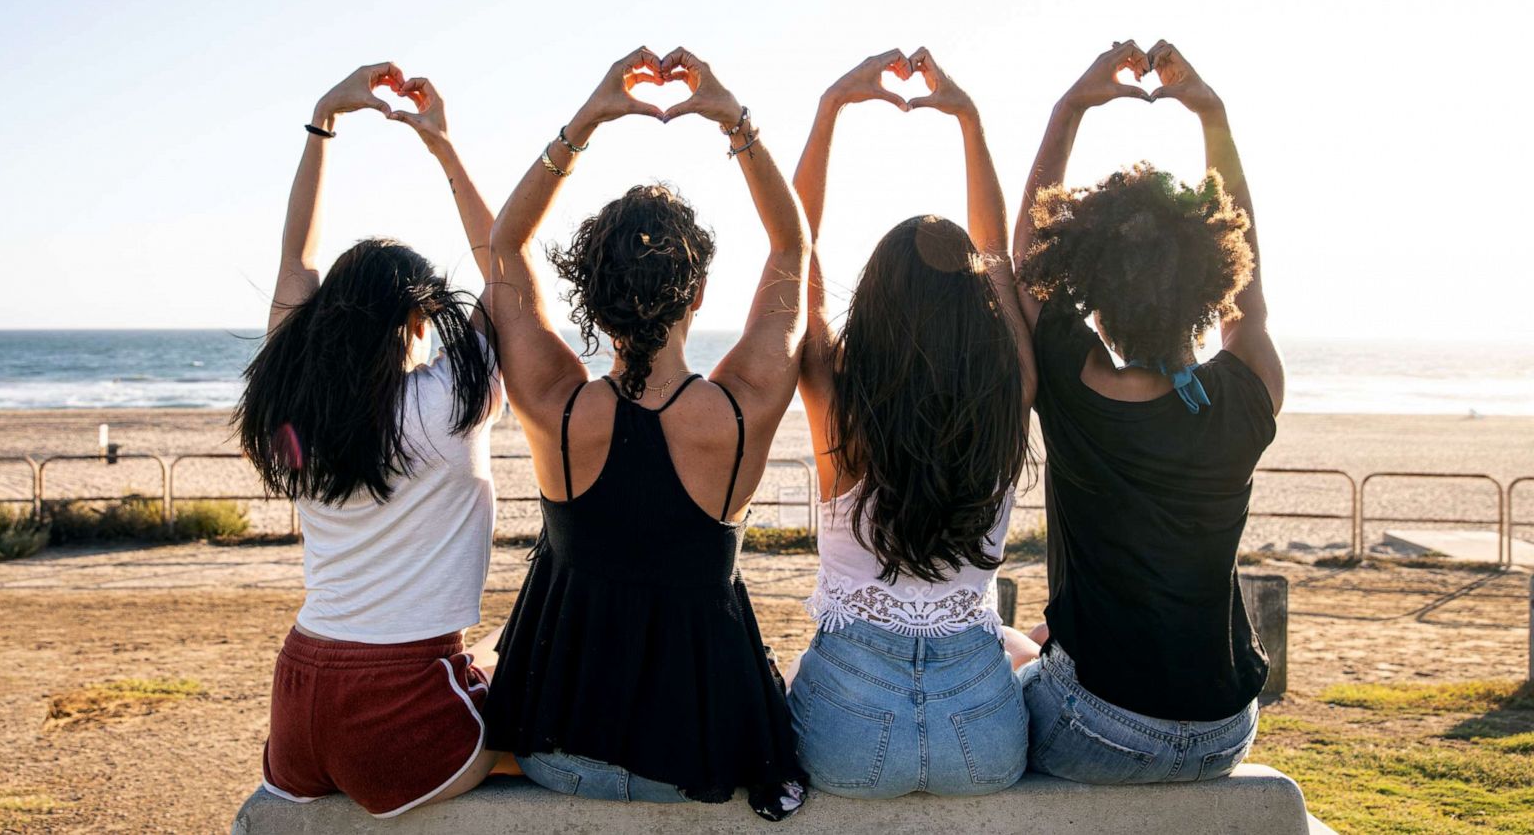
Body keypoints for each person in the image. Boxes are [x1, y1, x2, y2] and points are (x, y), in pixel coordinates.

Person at [479, 47, 808, 819]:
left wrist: (586, 120)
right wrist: (736, 121)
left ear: (590, 294)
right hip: (699, 756)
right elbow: (794, 249)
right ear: (698, 290)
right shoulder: (742, 407)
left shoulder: (556, 407)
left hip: (558, 751)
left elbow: (504, 245)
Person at [236, 63, 506, 817]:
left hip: (297, 699)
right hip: (400, 699)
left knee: (490, 657)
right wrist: (444, 148)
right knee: (531, 676)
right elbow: (507, 269)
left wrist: (324, 119)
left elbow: (296, 262)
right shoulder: (448, 401)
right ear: (418, 320)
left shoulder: (291, 402)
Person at [1011, 41, 1284, 785]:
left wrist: (1071, 108)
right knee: (1037, 637)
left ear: (1091, 286)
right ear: (1213, 280)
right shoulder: (1245, 391)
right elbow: (1251, 298)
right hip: (1226, 730)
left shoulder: (1069, 382)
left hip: (1103, 730)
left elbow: (1026, 259)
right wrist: (1210, 113)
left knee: (1001, 647)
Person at [783, 49, 1038, 798]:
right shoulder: (1011, 389)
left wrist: (831, 107)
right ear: (980, 310)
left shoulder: (839, 400)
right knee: (1019, 645)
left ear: (878, 304)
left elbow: (795, 258)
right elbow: (996, 258)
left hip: (848, 728)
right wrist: (969, 119)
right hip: (983, 735)